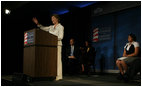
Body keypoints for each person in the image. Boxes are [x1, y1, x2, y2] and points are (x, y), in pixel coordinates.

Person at [32, 14, 64, 81]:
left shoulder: (61, 27)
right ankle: (52, 74)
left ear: (57, 19)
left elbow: (61, 37)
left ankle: (59, 76)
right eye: (51, 18)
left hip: (57, 45)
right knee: (51, 61)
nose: (52, 20)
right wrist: (38, 23)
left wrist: (52, 38)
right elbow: (43, 28)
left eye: (53, 18)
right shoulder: (51, 27)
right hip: (50, 46)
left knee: (57, 60)